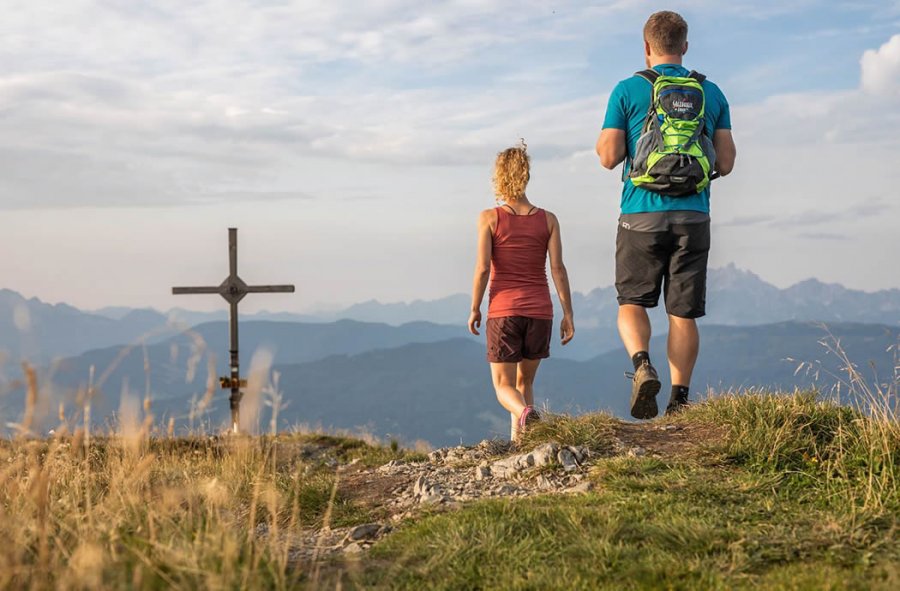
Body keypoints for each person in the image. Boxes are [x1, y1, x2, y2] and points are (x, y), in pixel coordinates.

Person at [596, 11, 737, 419]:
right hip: (694, 216)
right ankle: (679, 400)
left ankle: (642, 365)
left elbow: (608, 157)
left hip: (640, 214)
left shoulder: (627, 90)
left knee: (631, 302)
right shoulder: (712, 93)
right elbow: (725, 163)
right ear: (685, 47)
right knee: (683, 312)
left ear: (646, 48)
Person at [468, 144, 575, 440]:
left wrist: (475, 307)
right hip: (540, 313)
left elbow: (482, 269)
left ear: (499, 178)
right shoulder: (549, 220)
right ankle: (521, 445)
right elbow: (558, 269)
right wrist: (568, 313)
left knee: (504, 387)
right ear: (526, 176)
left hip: (504, 312)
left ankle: (527, 415)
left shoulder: (489, 218)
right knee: (524, 383)